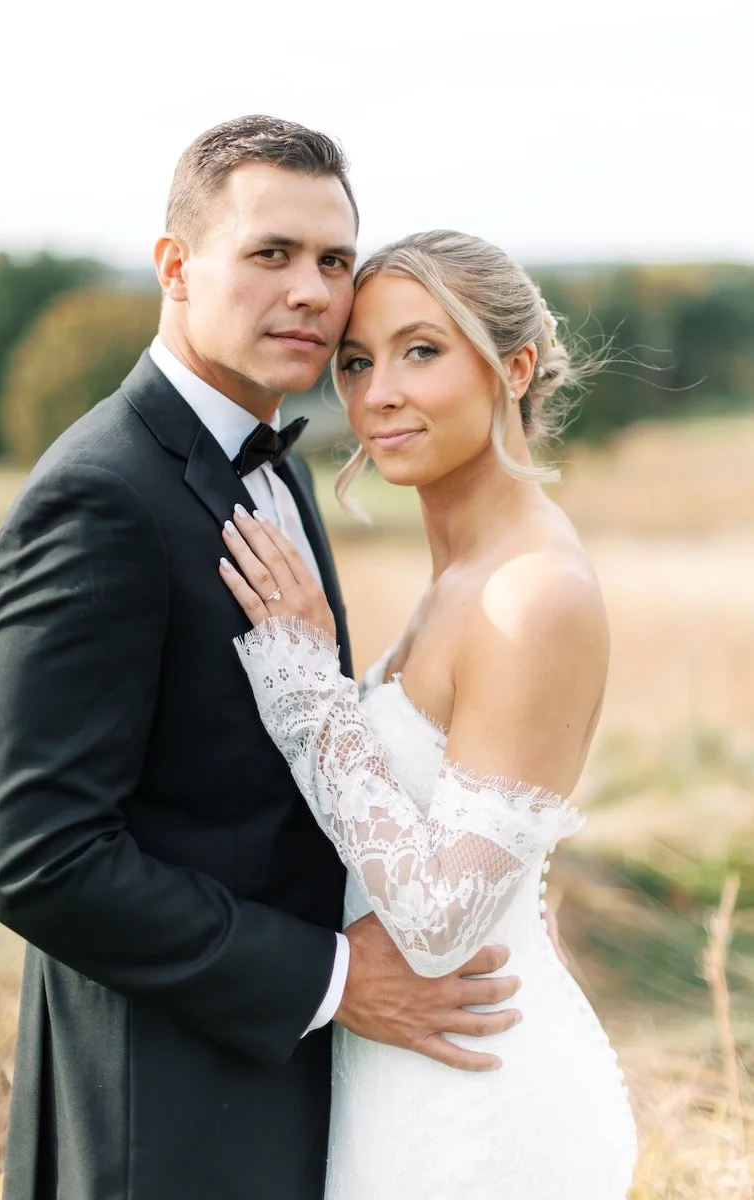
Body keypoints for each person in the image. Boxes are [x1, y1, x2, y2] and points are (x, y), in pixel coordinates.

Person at [0, 121, 522, 1200]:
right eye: (271, 254)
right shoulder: (99, 498)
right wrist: (333, 978)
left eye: (332, 261)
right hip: (165, 1119)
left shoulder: (277, 471)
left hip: (285, 1091)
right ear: (176, 266)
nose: (313, 293)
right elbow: (41, 857)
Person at [220, 229, 639, 1199]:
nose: (378, 395)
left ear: (515, 366)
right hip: (410, 1075)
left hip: (485, 1107)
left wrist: (305, 691)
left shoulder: (535, 594)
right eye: (357, 363)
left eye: (421, 351)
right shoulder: (461, 576)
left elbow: (443, 922)